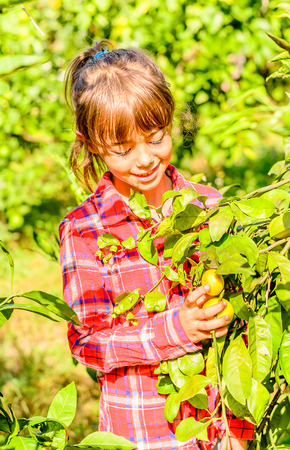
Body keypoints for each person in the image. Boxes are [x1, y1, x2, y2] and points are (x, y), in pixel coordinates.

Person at [59, 40, 254, 450]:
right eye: (123, 149)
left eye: (156, 136)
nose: (145, 159)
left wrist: (237, 429)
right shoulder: (85, 230)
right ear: (92, 143)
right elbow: (86, 341)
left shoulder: (209, 205)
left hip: (216, 426)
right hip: (144, 430)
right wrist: (174, 329)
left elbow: (239, 326)